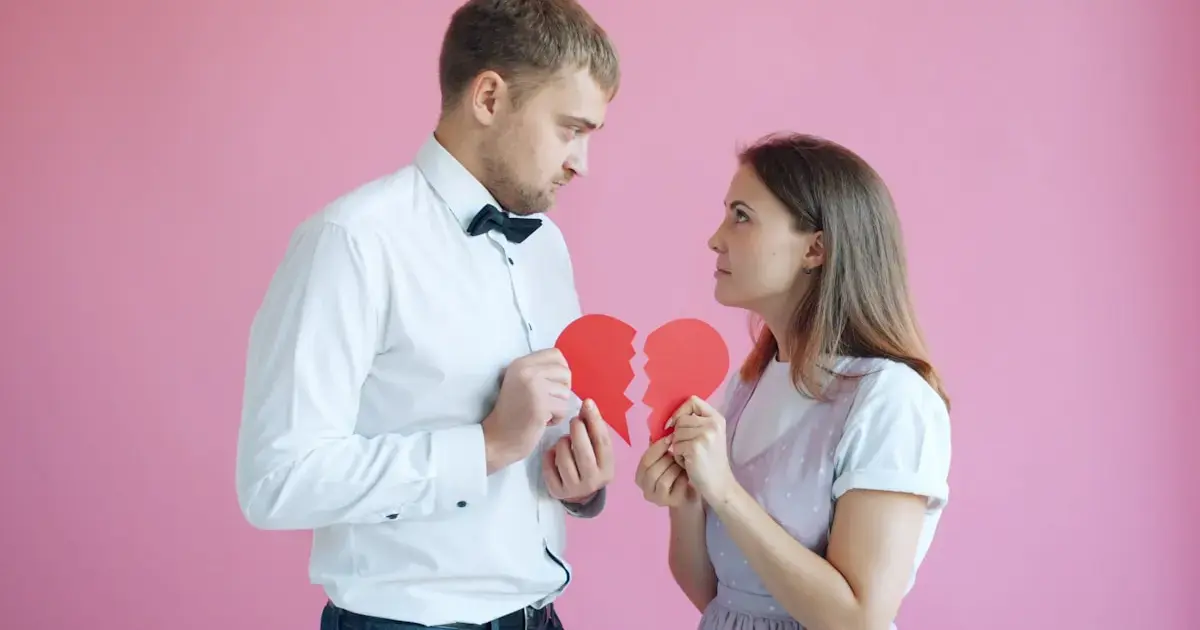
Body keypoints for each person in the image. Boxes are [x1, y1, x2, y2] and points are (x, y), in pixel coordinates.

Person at [235, 1, 621, 628]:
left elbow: (535, 456)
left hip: (540, 614)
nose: (582, 162)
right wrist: (486, 446)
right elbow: (277, 482)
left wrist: (579, 487)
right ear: (489, 98)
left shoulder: (545, 245)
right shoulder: (353, 242)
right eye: (569, 129)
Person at [634, 132, 952, 630]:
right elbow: (717, 597)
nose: (716, 238)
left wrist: (725, 492)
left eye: (742, 216)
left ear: (815, 249)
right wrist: (688, 501)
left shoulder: (891, 400)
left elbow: (860, 618)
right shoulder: (746, 386)